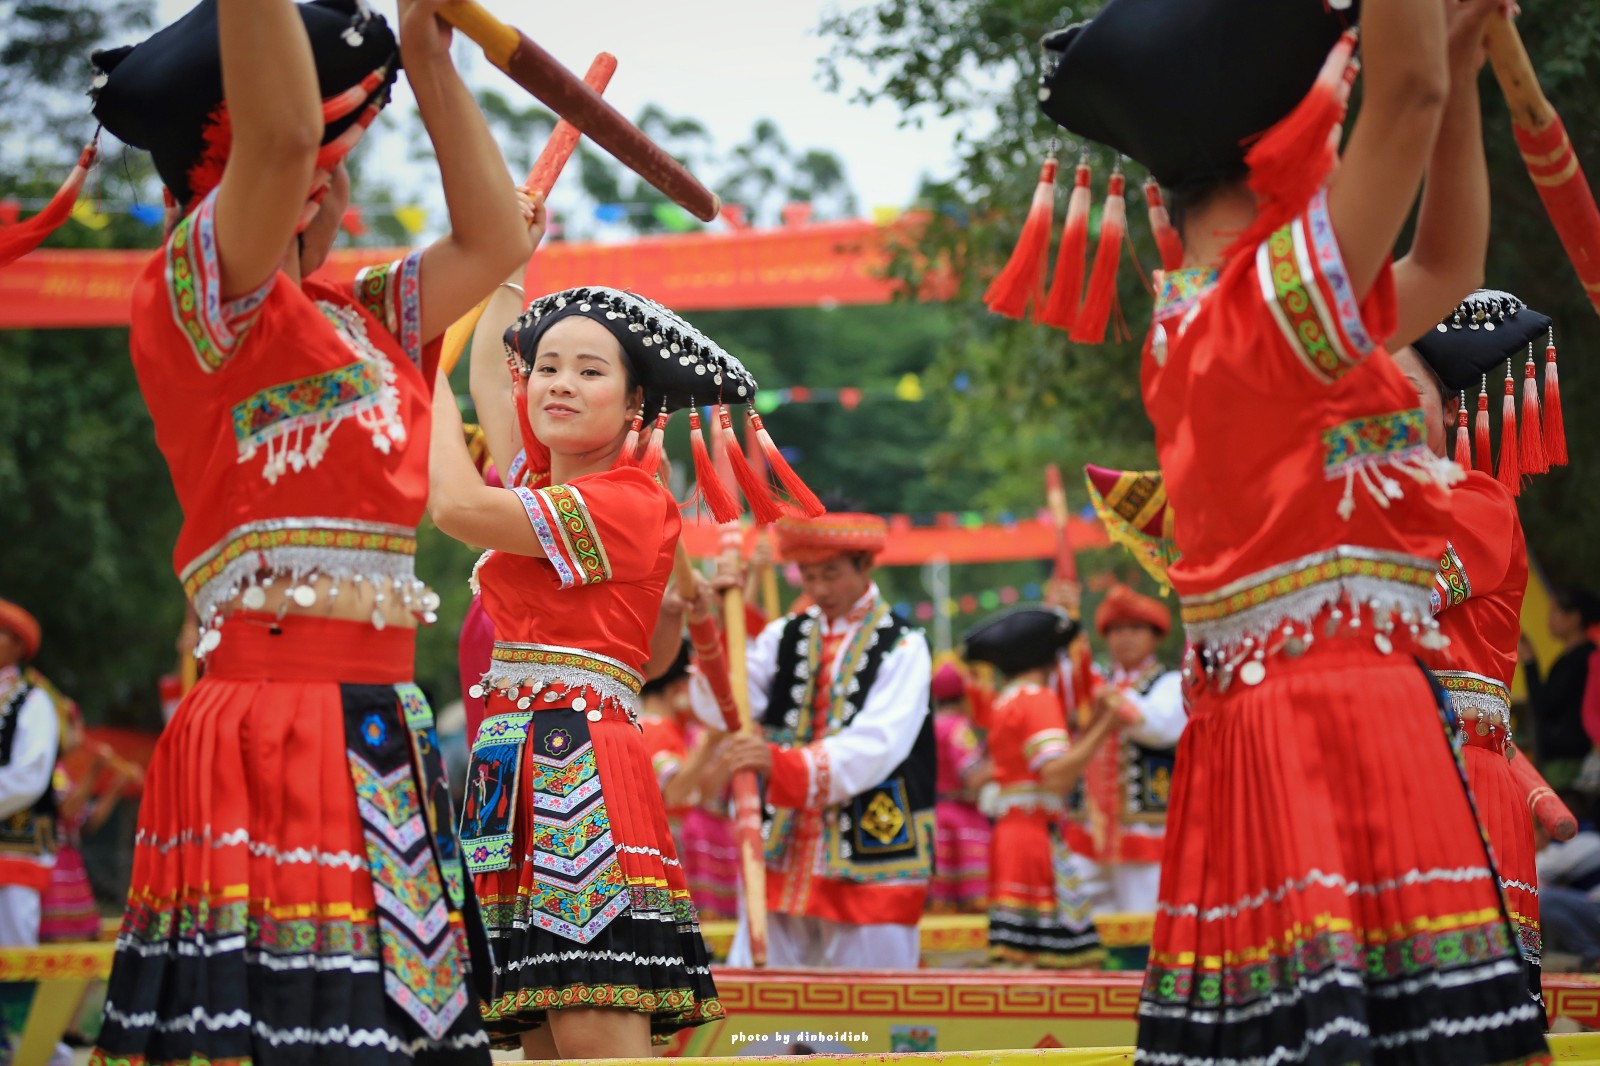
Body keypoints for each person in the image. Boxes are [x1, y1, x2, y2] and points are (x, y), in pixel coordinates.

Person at [1039, 0, 1549, 1061]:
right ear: (1267, 138)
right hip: (1337, 715)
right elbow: (1400, 100)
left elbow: (1446, 269)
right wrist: (1424, 67)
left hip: (1281, 719)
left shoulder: (1218, 313)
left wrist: (1449, 59)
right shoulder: (1263, 307)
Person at [85, 0, 531, 1059]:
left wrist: (428, 63)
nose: (336, 182)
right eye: (324, 158)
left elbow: (498, 239)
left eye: (338, 161)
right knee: (285, 1036)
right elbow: (280, 134)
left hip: (383, 722)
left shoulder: (364, 315)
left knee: (395, 1032)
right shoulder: (197, 296)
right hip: (268, 719)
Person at [432, 279, 738, 1057]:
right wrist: (503, 259)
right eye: (549, 367)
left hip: (578, 765)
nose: (560, 382)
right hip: (509, 768)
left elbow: (457, 508)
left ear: (636, 403)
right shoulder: (541, 487)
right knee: (538, 1043)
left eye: (590, 370)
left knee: (594, 1033)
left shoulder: (626, 501)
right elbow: (488, 374)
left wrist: (413, 369)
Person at [1391, 288, 1550, 1017]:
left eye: (1401, 390)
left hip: (1460, 781)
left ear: (1452, 408)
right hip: (1368, 777)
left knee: (1467, 1021)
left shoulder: (1475, 502)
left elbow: (1392, 595)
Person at [708, 509, 935, 970]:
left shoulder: (904, 644)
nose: (819, 590)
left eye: (830, 574)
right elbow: (725, 704)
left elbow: (879, 741)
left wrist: (783, 765)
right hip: (785, 841)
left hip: (873, 836)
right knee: (767, 989)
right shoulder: (784, 635)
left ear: (864, 565)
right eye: (809, 576)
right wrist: (712, 615)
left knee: (870, 1002)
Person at [964, 606, 1117, 967]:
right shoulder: (1037, 699)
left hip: (1013, 832)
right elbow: (1056, 775)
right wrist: (1105, 725)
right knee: (1061, 962)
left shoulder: (1005, 702)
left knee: (1021, 957)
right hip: (1034, 836)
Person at [1063, 585, 1184, 916]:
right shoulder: (1096, 684)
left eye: (1135, 629)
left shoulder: (1170, 683)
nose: (1125, 637)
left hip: (1143, 830)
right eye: (1116, 630)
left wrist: (1112, 699)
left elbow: (1159, 726)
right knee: (1081, 919)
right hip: (1089, 829)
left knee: (1143, 918)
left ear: (1155, 636)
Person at [0, 602, 68, 1066]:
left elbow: (30, 775)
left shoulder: (33, 699)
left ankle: (37, 1050)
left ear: (17, 645)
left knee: (14, 942)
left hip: (18, 844)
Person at [641, 639, 738, 921]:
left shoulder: (662, 730)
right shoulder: (657, 730)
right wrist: (709, 744)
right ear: (678, 691)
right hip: (661, 849)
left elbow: (699, 791)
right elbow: (676, 792)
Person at [929, 662, 992, 914]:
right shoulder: (958, 728)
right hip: (961, 821)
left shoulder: (929, 726)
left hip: (935, 817)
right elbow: (973, 777)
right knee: (971, 911)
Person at [1523, 587, 1600, 791]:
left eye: (1555, 611)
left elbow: (1546, 706)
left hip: (1569, 761)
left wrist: (1529, 663)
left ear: (1574, 617)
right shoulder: (1572, 657)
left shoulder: (1583, 659)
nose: (1550, 619)